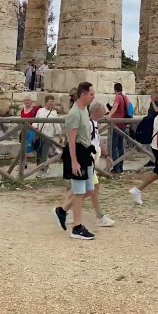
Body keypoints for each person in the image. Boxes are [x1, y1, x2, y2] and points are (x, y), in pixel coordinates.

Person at [56, 101, 115, 229]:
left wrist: (107, 156)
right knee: (89, 190)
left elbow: (97, 143)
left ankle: (66, 211)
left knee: (85, 190)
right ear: (98, 111)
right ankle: (66, 210)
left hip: (90, 162)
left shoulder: (94, 124)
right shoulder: (87, 124)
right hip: (86, 161)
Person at [54, 82, 97, 240]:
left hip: (85, 152)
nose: (94, 97)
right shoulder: (74, 114)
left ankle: (62, 210)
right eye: (92, 94)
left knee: (89, 190)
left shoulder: (84, 110)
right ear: (83, 94)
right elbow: (71, 140)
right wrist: (74, 161)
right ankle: (77, 227)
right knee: (79, 193)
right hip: (77, 153)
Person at [34, 94, 61, 176]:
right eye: (50, 101)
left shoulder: (54, 112)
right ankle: (40, 166)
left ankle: (42, 170)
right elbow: (36, 120)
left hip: (49, 135)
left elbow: (57, 124)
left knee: (44, 152)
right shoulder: (40, 111)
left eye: (53, 101)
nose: (52, 103)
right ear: (46, 102)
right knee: (39, 151)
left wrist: (59, 134)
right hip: (40, 134)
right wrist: (35, 129)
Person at [108, 82, 130, 174]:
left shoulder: (118, 97)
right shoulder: (126, 97)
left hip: (116, 124)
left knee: (114, 146)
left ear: (115, 89)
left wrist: (109, 115)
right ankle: (120, 166)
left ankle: (116, 167)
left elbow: (115, 107)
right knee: (121, 146)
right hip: (123, 124)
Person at [18, 94, 40, 168]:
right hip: (24, 131)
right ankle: (24, 163)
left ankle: (39, 160)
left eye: (28, 100)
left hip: (32, 131)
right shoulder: (22, 110)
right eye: (25, 100)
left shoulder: (35, 109)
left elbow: (39, 118)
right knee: (23, 147)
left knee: (30, 147)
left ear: (31, 101)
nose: (27, 101)